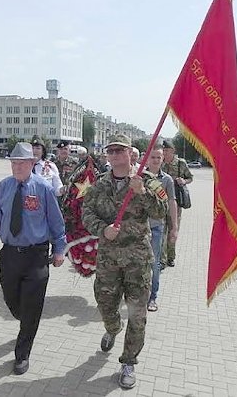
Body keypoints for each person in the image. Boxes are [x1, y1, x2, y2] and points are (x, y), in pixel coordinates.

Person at [82, 134, 168, 389]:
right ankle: (112, 327)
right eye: (110, 151)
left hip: (137, 260)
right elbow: (86, 213)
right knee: (106, 304)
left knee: (137, 314)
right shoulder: (99, 184)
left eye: (120, 150)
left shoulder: (147, 181)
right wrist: (102, 229)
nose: (115, 155)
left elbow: (161, 211)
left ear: (130, 153)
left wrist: (141, 192)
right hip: (109, 259)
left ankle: (129, 361)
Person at [0, 142, 66, 375]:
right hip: (9, 254)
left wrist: (59, 249)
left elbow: (56, 222)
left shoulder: (43, 188)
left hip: (36, 256)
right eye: (14, 163)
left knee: (32, 308)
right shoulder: (3, 187)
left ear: (32, 163)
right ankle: (24, 320)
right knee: (13, 302)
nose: (17, 167)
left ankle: (22, 354)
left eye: (22, 163)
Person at [145, 145, 177, 312]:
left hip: (157, 227)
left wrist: (174, 227)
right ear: (147, 158)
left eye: (158, 157)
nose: (156, 160)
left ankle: (153, 297)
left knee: (155, 263)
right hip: (140, 229)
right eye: (153, 157)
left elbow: (172, 202)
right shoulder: (139, 177)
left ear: (163, 159)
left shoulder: (166, 180)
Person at [160, 139, 193, 268]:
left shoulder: (180, 163)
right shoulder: (160, 163)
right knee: (161, 231)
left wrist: (184, 181)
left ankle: (170, 257)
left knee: (173, 230)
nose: (164, 153)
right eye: (163, 150)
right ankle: (161, 259)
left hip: (176, 204)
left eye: (166, 151)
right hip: (161, 202)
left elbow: (190, 177)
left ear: (172, 151)